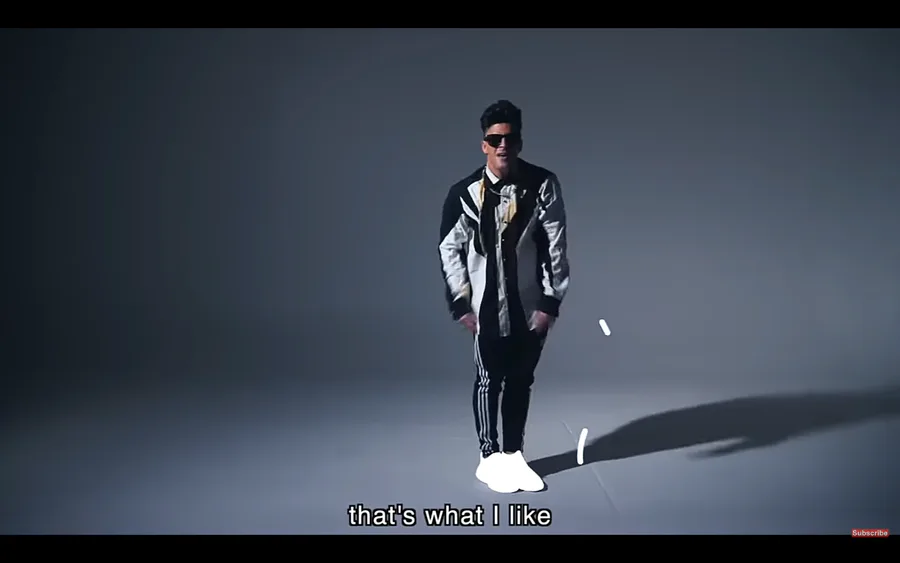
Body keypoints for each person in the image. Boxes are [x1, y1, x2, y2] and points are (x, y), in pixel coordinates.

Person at [438, 100, 570, 493]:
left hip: (529, 306)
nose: (502, 146)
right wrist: (461, 302)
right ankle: (488, 456)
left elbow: (556, 244)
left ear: (519, 142)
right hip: (485, 306)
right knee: (488, 380)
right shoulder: (464, 194)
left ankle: (513, 455)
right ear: (484, 144)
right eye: (495, 139)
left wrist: (550, 301)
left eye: (509, 138)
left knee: (521, 380)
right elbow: (450, 248)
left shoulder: (543, 185)